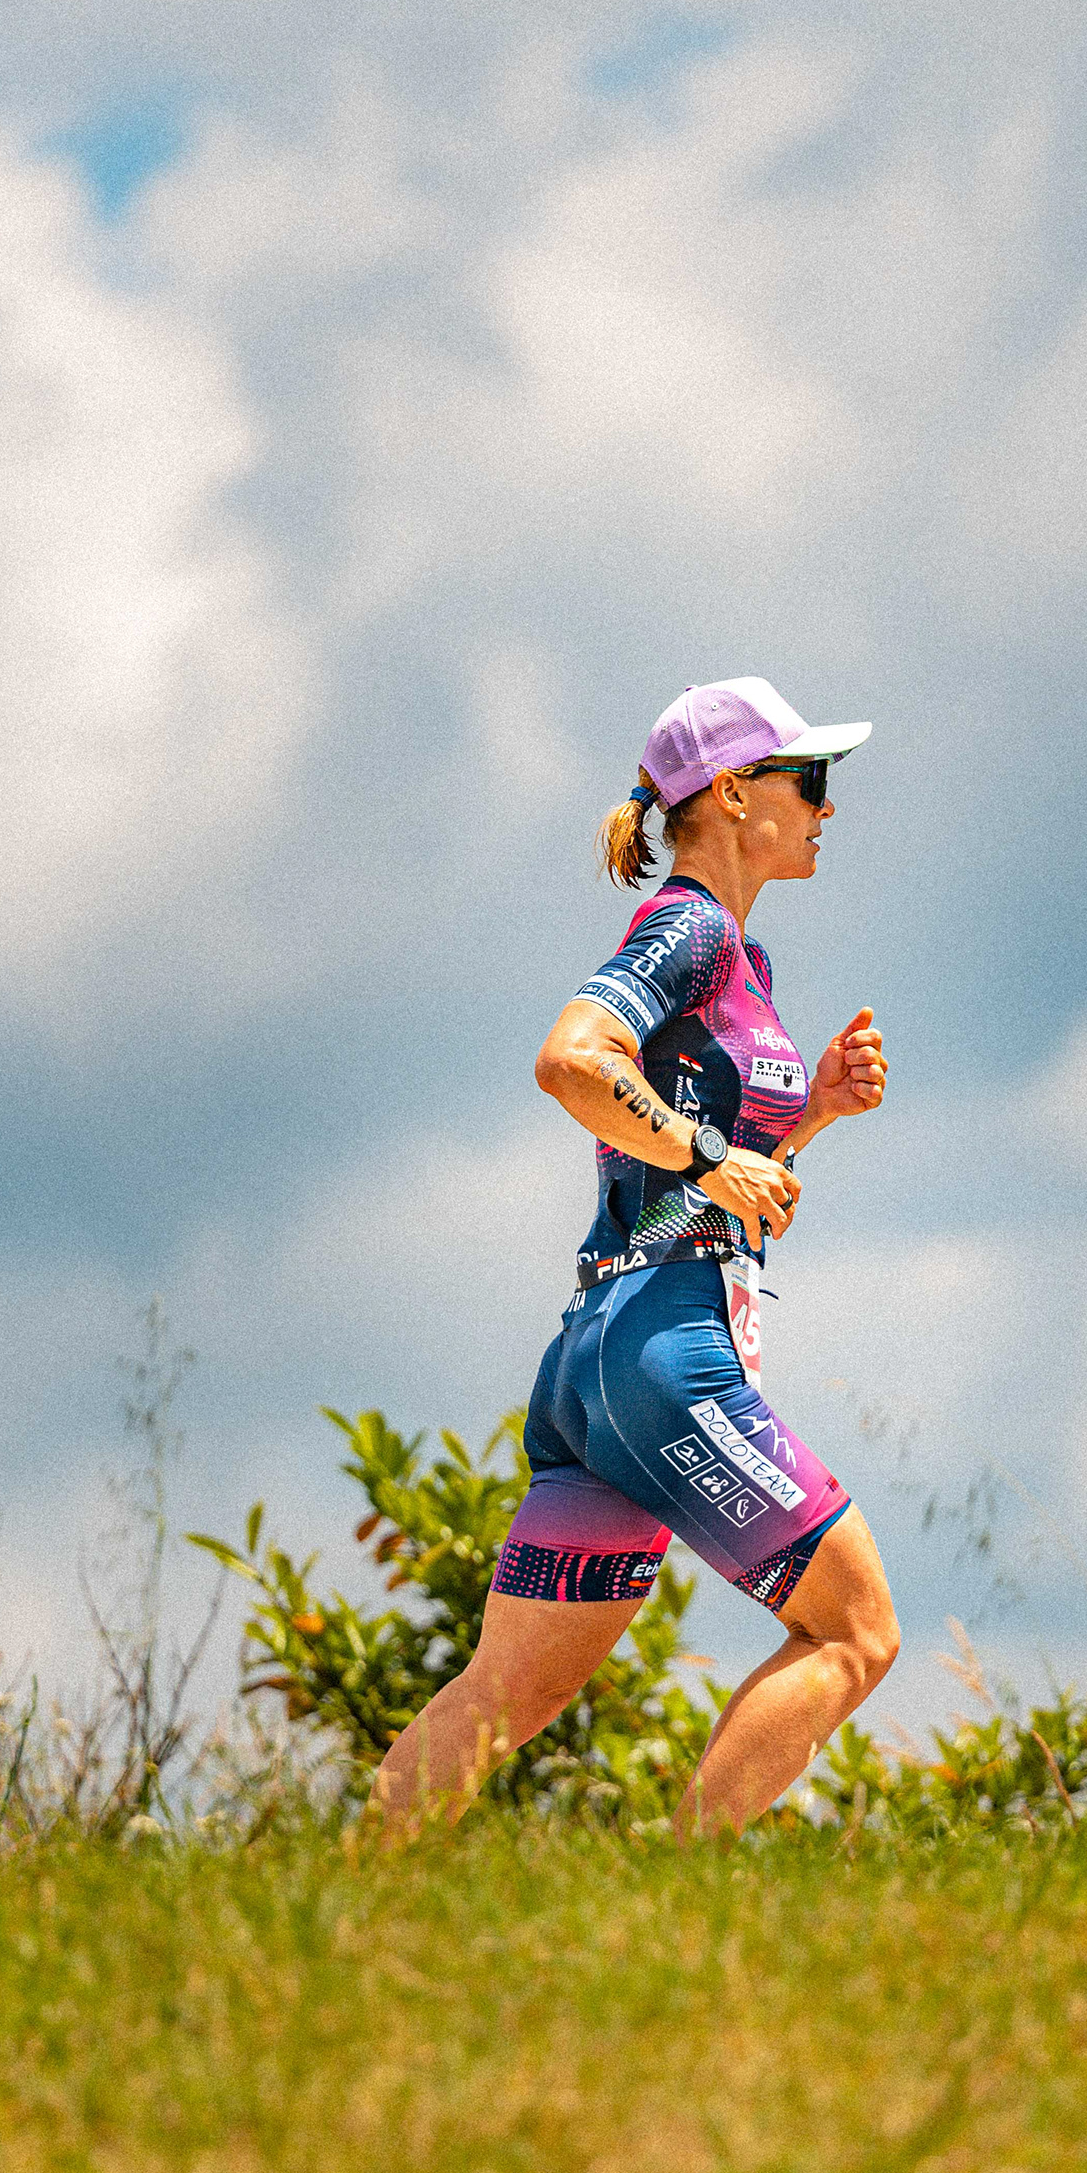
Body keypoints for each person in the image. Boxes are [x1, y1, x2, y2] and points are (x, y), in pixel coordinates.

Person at [373, 674, 900, 1837]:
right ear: (733, 793)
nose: (826, 807)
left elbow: (701, 1186)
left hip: (602, 1361)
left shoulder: (746, 966)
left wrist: (810, 1113)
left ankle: (344, 1892)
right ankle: (686, 1895)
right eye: (809, 779)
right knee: (855, 1633)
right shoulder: (691, 930)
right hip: (661, 1350)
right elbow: (572, 1061)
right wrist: (716, 1155)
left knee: (510, 1694)